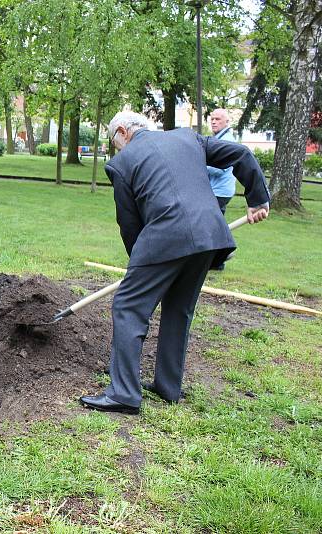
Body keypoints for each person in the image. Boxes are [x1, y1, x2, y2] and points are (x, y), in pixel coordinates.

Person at [79, 111, 270, 415]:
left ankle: (123, 393)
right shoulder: (187, 137)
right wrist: (258, 198)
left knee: (128, 306)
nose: (116, 149)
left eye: (114, 141)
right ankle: (168, 387)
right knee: (178, 308)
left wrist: (139, 268)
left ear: (123, 133)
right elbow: (241, 153)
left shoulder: (121, 164)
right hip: (210, 234)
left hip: (167, 234)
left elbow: (129, 224)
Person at [207, 108, 238, 270]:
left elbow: (221, 168)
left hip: (220, 191)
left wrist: (200, 165)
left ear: (227, 122)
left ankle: (224, 253)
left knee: (211, 225)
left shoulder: (226, 140)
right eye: (212, 119)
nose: (213, 122)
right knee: (213, 224)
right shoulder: (218, 139)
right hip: (217, 190)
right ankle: (217, 261)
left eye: (218, 119)